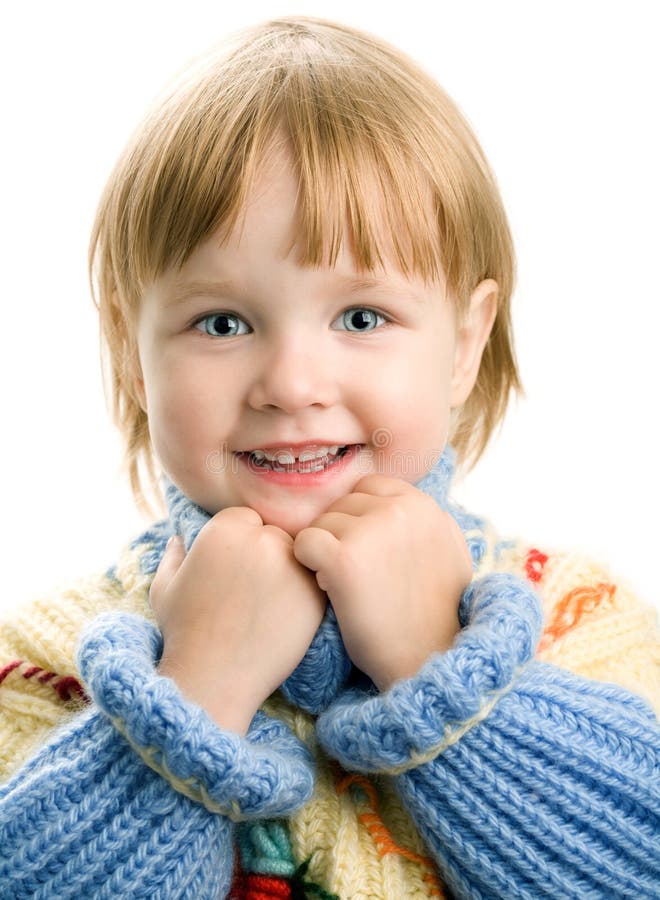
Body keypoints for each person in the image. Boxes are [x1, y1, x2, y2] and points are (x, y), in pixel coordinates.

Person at [0, 16, 658, 900]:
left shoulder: (585, 628)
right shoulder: (41, 668)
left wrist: (442, 670)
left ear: (464, 343)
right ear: (131, 351)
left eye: (360, 317)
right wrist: (190, 698)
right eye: (223, 323)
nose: (293, 383)